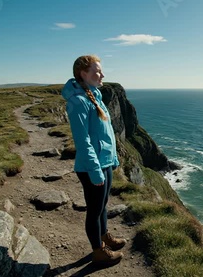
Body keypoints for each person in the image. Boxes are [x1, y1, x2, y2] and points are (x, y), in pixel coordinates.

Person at [62, 55, 126, 264]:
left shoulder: (95, 96)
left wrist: (113, 158)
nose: (102, 75)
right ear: (83, 74)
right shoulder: (79, 102)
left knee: (103, 204)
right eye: (97, 71)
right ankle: (98, 251)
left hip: (104, 162)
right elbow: (83, 141)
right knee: (94, 210)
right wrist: (95, 170)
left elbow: (106, 133)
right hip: (92, 166)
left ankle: (104, 236)